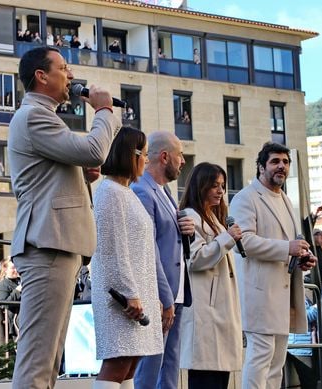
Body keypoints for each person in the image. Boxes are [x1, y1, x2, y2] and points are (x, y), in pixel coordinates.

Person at [8, 46, 120, 389]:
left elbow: (52, 176)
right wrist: (103, 110)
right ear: (41, 76)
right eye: (64, 68)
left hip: (55, 242)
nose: (71, 76)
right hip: (47, 243)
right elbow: (93, 149)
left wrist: (81, 177)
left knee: (50, 357)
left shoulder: (43, 117)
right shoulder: (34, 116)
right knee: (38, 361)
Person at [230, 141, 316, 389]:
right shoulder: (246, 197)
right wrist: (286, 248)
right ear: (260, 166)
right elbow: (242, 241)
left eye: (285, 162)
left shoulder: (287, 200)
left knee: (277, 363)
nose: (281, 166)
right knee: (260, 358)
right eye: (275, 161)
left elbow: (293, 241)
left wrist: (303, 255)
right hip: (260, 293)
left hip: (284, 292)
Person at [91, 127, 163, 389]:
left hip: (134, 294)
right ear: (131, 155)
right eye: (144, 154)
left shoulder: (124, 192)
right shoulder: (109, 192)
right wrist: (129, 291)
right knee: (117, 363)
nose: (147, 160)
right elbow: (112, 248)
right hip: (121, 297)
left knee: (129, 363)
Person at [132, 131, 195, 389]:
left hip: (177, 294)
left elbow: (171, 241)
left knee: (170, 367)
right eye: (180, 155)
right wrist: (165, 298)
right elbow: (149, 250)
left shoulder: (165, 192)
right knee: (149, 370)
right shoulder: (142, 191)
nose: (183, 162)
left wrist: (186, 230)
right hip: (161, 297)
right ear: (165, 156)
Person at [178, 162, 242, 389]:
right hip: (205, 310)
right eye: (214, 185)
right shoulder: (190, 216)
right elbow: (194, 259)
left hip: (221, 311)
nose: (220, 191)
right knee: (205, 378)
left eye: (222, 186)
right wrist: (227, 239)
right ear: (200, 185)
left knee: (219, 377)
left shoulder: (214, 218)